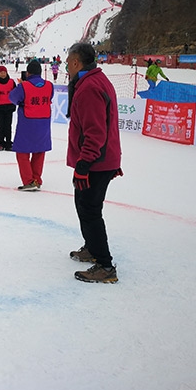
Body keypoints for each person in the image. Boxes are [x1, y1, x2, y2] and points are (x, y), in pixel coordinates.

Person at [65, 42, 122, 283]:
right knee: (85, 205)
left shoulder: (89, 87)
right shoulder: (97, 79)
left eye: (68, 62)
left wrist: (84, 164)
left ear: (77, 63)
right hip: (101, 159)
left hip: (96, 161)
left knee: (89, 210)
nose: (66, 67)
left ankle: (105, 265)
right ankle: (91, 247)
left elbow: (95, 132)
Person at [8, 59, 53, 191]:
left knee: (22, 153)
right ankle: (37, 180)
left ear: (28, 73)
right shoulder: (49, 86)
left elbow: (13, 98)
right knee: (39, 152)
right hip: (44, 123)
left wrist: (21, 86)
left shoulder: (24, 86)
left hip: (27, 123)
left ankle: (28, 180)